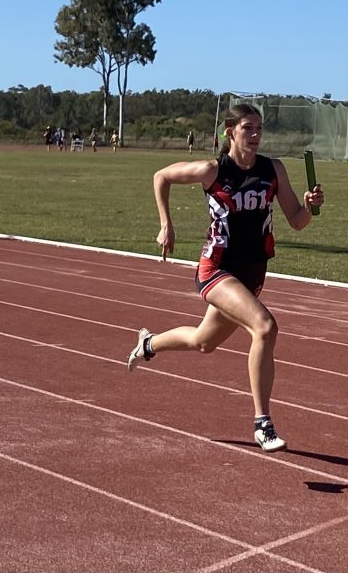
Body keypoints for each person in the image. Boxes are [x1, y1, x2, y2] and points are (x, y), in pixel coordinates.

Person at [126, 104, 325, 453]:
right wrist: (165, 225)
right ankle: (263, 424)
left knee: (204, 341)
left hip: (252, 272)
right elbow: (161, 176)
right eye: (248, 127)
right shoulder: (212, 170)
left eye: (260, 128)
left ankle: (149, 344)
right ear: (230, 131)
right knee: (264, 327)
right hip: (217, 269)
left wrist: (310, 206)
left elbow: (296, 220)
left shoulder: (273, 170)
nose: (256, 134)